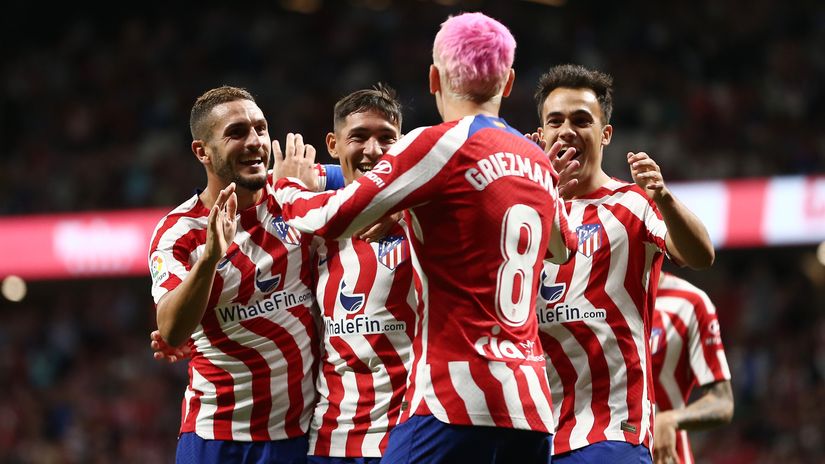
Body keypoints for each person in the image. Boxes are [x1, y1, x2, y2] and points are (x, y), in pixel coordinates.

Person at [272, 12, 576, 464]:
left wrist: (288, 188)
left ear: (434, 78)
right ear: (509, 82)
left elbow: (333, 218)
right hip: (530, 409)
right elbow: (563, 248)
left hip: (454, 401)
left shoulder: (438, 143)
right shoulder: (535, 157)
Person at [533, 64, 715, 462]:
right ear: (540, 134)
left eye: (582, 120)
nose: (567, 131)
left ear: (606, 134)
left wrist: (663, 196)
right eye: (555, 121)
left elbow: (701, 255)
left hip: (611, 431)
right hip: (533, 434)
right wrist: (536, 194)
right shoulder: (522, 213)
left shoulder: (633, 203)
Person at [148, 85, 335, 464]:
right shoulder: (179, 232)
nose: (255, 142)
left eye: (260, 129)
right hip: (218, 438)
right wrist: (210, 260)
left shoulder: (292, 191)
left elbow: (376, 172)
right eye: (236, 132)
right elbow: (171, 331)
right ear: (202, 151)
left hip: (300, 435)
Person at [306, 84, 415, 463]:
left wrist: (401, 206)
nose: (373, 150)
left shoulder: (427, 215)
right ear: (333, 144)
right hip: (332, 438)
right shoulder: (311, 222)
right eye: (359, 137)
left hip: (408, 436)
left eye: (387, 138)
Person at [650, 272, 733, 464]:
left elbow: (722, 401)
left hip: (666, 458)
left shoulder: (690, 302)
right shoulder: (590, 296)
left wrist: (670, 419)